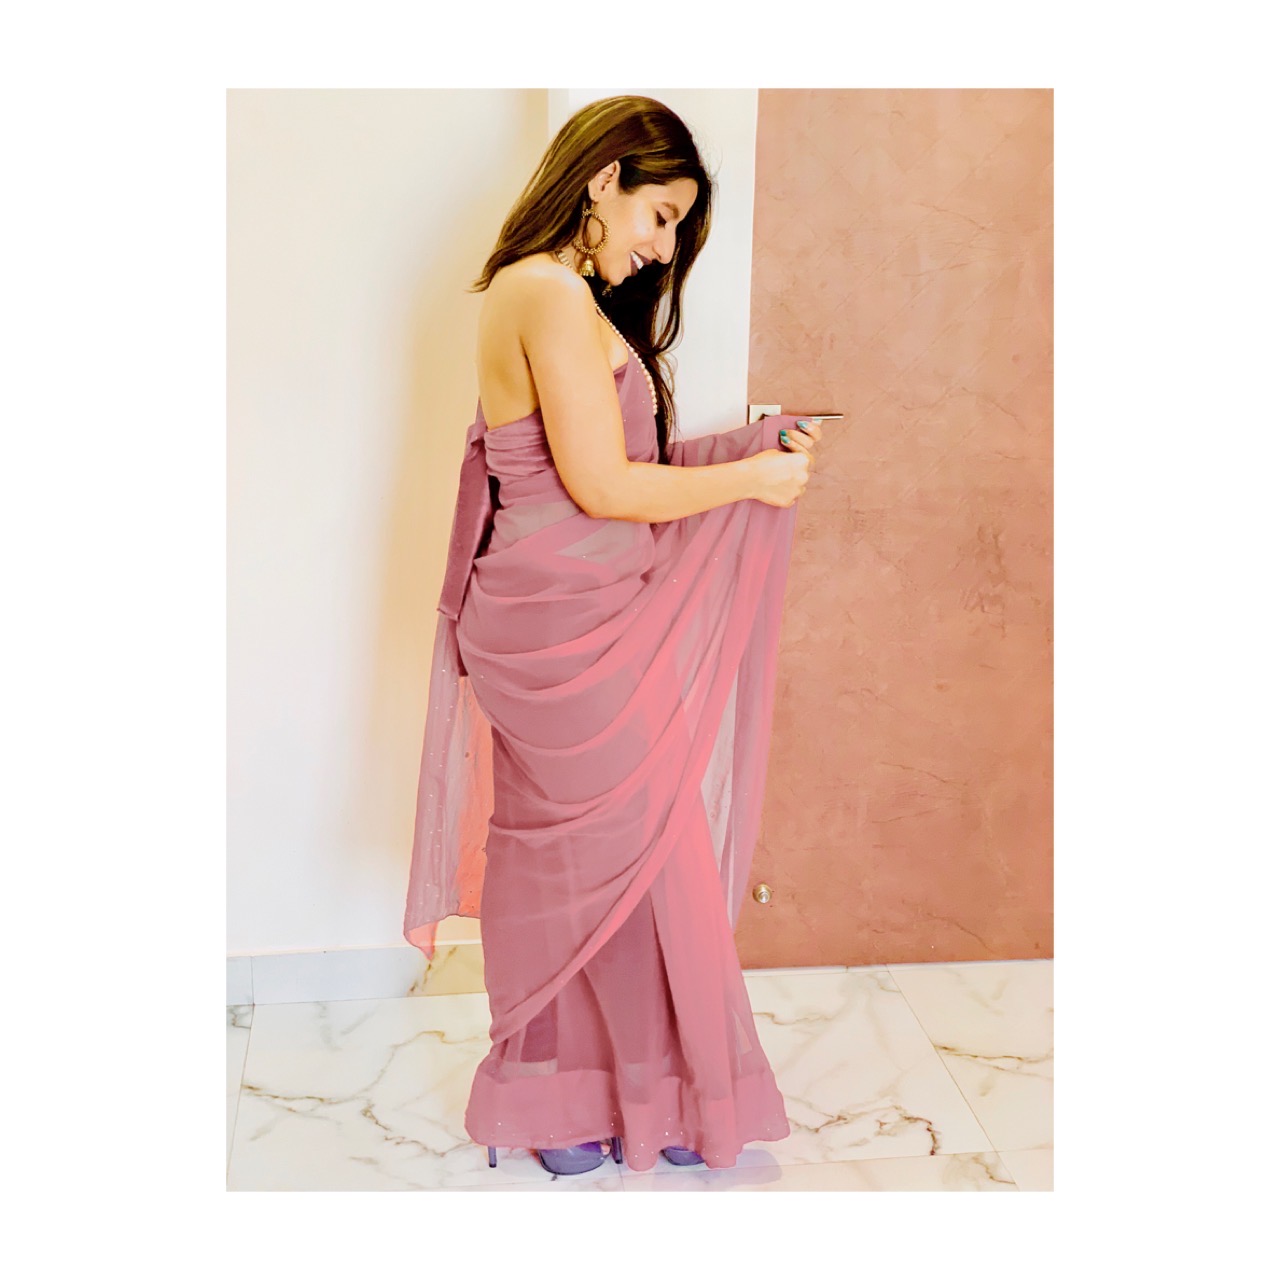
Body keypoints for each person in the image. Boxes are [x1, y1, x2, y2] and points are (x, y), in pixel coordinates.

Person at [403, 94, 825, 1176]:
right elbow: (598, 485)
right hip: (555, 627)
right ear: (602, 180)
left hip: (578, 613)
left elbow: (616, 471)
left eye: (676, 227)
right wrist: (753, 481)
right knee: (622, 854)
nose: (663, 247)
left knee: (597, 856)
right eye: (659, 214)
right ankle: (603, 1095)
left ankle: (602, 1094)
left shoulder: (561, 296)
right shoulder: (543, 292)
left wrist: (749, 450)